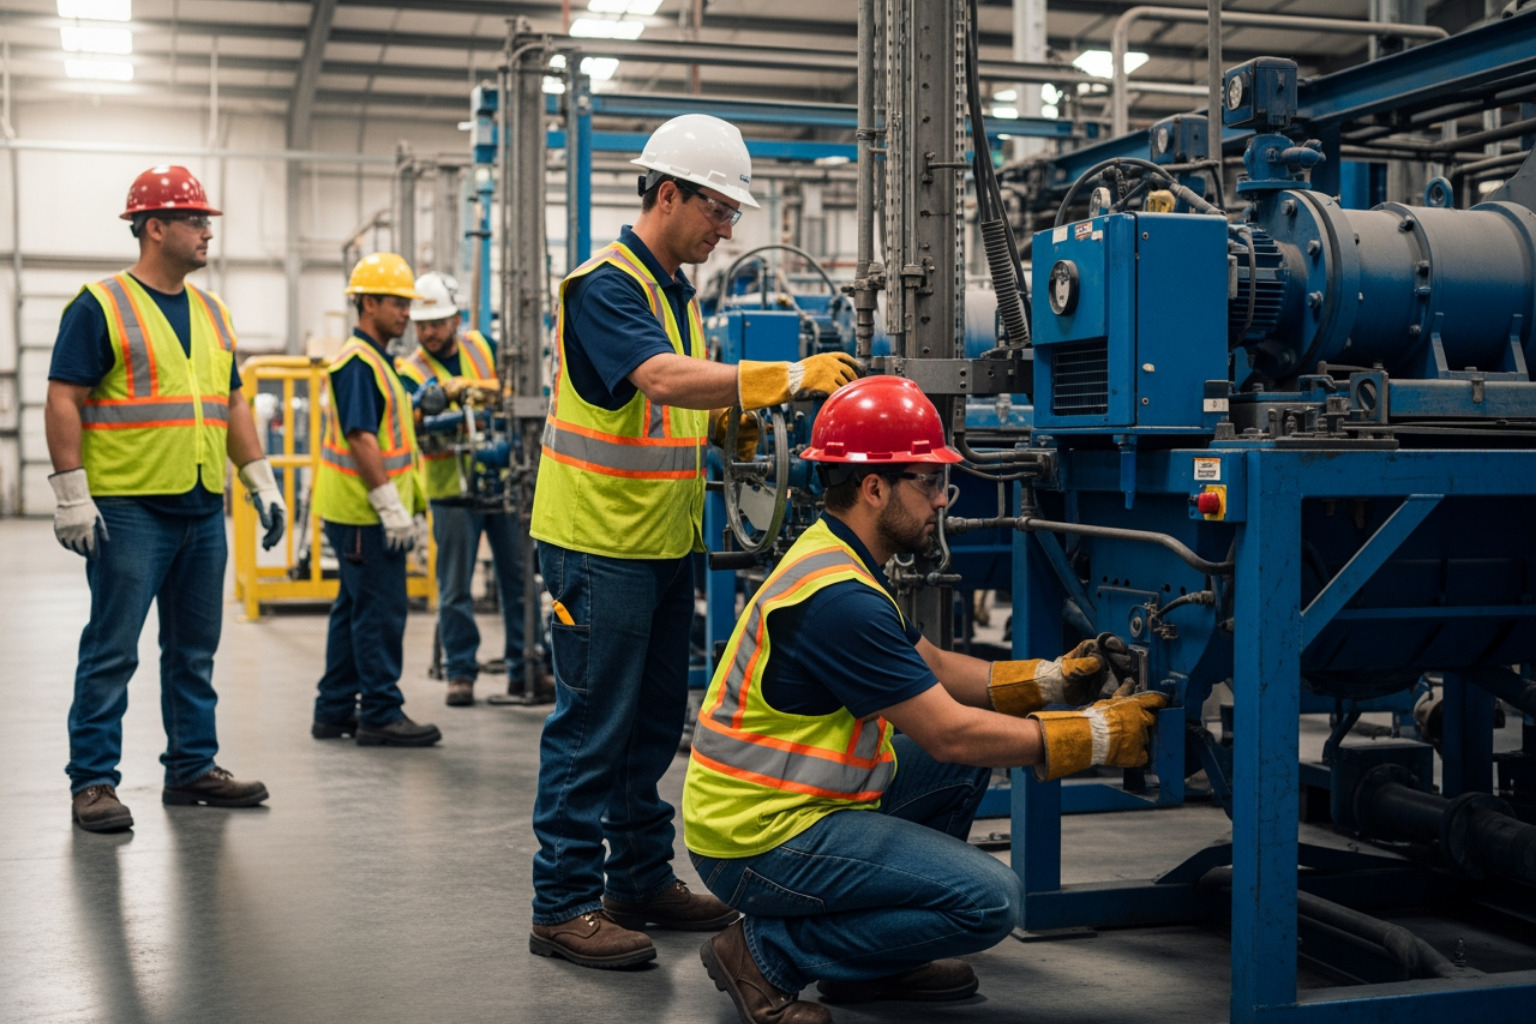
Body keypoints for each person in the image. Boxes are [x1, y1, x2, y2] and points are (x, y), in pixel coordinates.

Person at [684, 376, 1168, 1024]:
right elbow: (950, 733)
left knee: (966, 760)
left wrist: (1049, 680)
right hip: (758, 838)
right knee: (992, 901)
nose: (942, 501)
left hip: (792, 805)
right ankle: (766, 953)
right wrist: (1093, 737)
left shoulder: (840, 557)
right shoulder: (841, 600)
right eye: (930, 483)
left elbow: (932, 666)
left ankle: (869, 965)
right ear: (875, 487)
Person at [526, 113, 862, 969]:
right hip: (597, 541)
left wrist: (727, 432)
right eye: (718, 209)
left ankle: (636, 880)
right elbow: (661, 379)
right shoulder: (604, 286)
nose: (726, 228)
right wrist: (783, 378)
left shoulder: (674, 293)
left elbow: (664, 410)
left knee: (647, 725)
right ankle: (561, 904)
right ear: (666, 194)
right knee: (591, 726)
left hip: (659, 539)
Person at [46, 165, 284, 833]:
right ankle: (93, 782)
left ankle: (191, 768)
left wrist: (259, 479)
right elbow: (65, 396)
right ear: (155, 228)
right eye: (194, 219)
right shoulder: (100, 304)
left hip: (203, 506)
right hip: (129, 507)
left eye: (205, 220)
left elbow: (231, 401)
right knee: (113, 649)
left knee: (194, 650)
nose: (207, 232)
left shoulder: (214, 312)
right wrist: (71, 495)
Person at [310, 253, 441, 748]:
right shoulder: (359, 363)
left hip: (360, 512)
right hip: (365, 513)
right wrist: (390, 507)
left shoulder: (377, 360)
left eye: (407, 304)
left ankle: (335, 709)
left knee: (353, 609)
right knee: (380, 612)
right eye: (396, 304)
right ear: (367, 304)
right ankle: (381, 712)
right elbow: (362, 438)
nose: (406, 313)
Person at [395, 272, 530, 707]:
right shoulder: (409, 369)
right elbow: (414, 423)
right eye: (422, 324)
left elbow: (512, 393)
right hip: (450, 488)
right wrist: (440, 408)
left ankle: (524, 669)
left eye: (436, 322)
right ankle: (460, 672)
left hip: (502, 481)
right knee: (454, 588)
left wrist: (468, 392)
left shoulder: (482, 346)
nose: (428, 332)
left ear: (456, 319)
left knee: (520, 581)